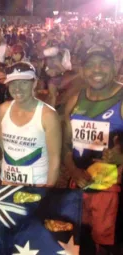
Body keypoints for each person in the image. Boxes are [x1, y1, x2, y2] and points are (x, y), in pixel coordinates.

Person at [63, 45, 123, 254]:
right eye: (90, 65)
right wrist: (72, 170)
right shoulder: (75, 101)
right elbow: (66, 145)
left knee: (109, 248)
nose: (96, 70)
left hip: (113, 196)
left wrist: (121, 155)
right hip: (79, 189)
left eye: (103, 63)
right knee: (80, 243)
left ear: (114, 67)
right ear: (82, 71)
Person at [0, 62, 61, 186]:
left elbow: (54, 159)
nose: (17, 88)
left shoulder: (48, 115)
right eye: (13, 83)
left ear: (34, 83)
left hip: (36, 184)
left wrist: (47, 191)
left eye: (24, 83)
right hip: (8, 182)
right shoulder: (3, 109)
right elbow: (1, 145)